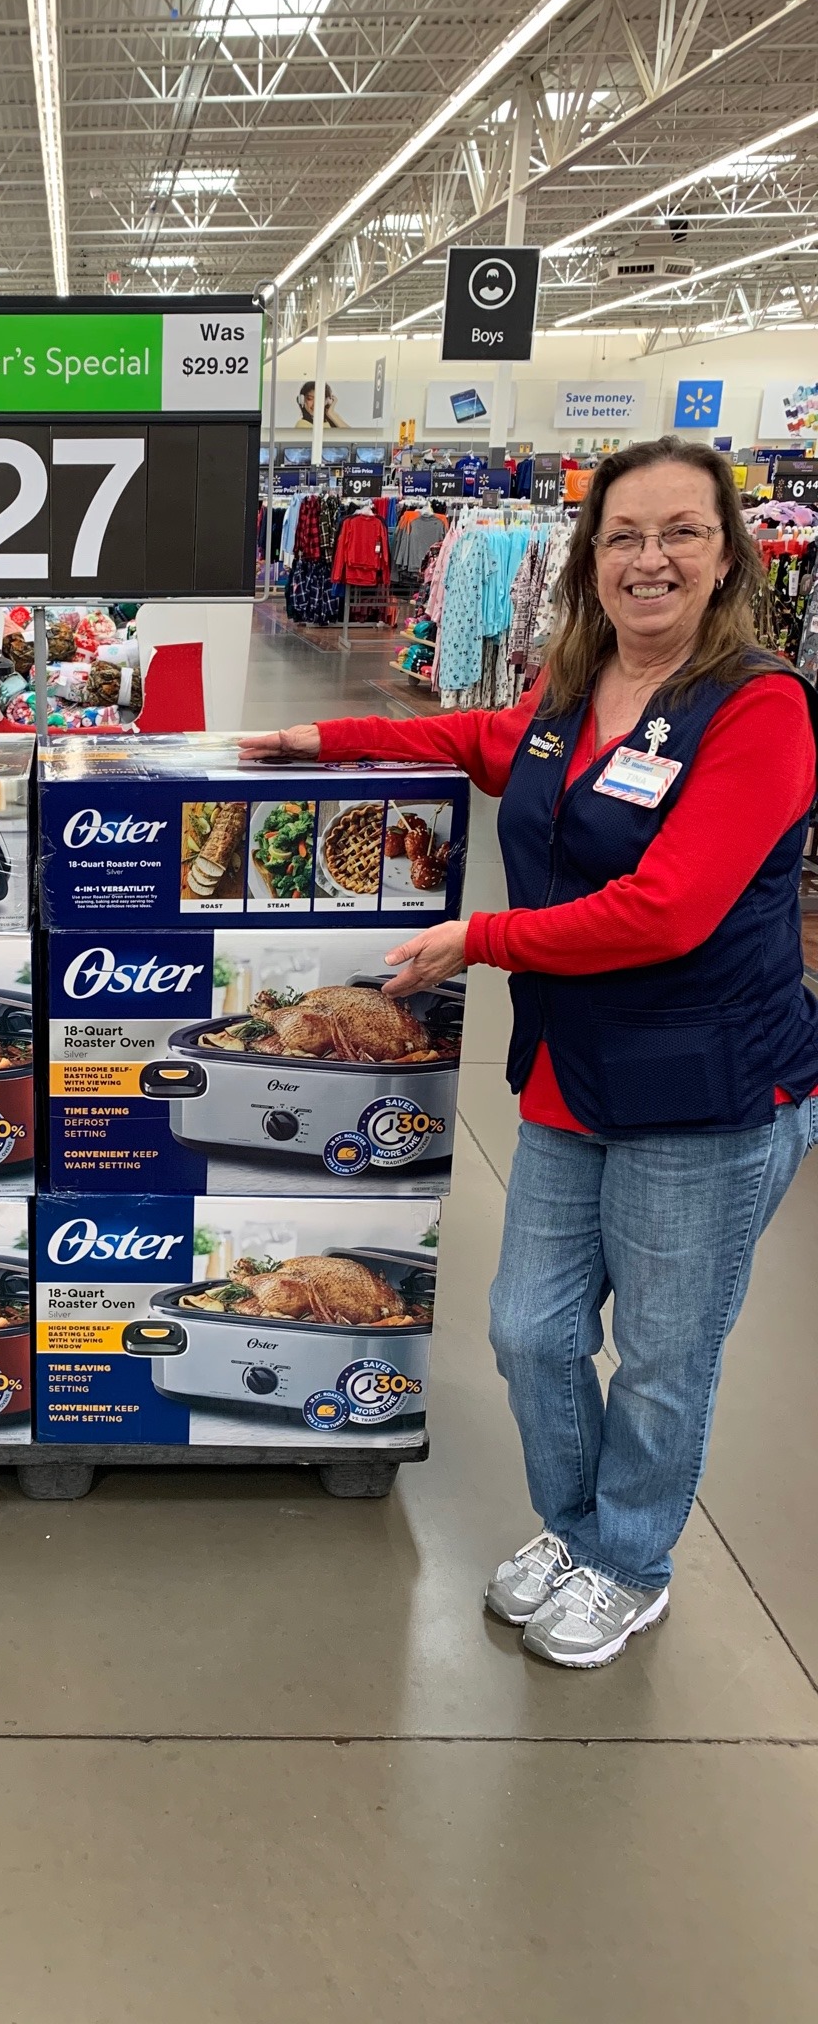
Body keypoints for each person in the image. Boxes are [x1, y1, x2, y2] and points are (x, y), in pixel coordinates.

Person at [243, 437, 818, 1669]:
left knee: (662, 1357)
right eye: (624, 535)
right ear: (589, 555)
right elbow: (486, 743)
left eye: (681, 532)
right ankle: (576, 1529)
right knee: (529, 1331)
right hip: (574, 1068)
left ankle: (632, 1562)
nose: (650, 558)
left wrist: (481, 939)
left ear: (728, 555)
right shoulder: (579, 682)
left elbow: (670, 908)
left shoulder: (759, 707)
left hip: (710, 1090)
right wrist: (323, 740)